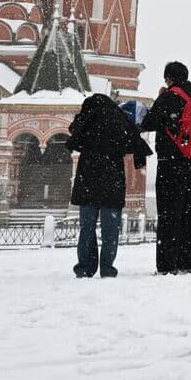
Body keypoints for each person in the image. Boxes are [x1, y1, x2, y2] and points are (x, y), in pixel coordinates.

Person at [140, 62, 191, 274]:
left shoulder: (168, 97)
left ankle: (168, 265)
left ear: (168, 78)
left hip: (173, 165)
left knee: (170, 215)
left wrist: (161, 98)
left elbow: (148, 123)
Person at [69, 93, 152, 278]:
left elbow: (73, 133)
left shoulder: (87, 118)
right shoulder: (119, 119)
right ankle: (107, 268)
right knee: (110, 229)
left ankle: (85, 267)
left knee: (87, 228)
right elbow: (134, 142)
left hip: (87, 179)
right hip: (112, 181)